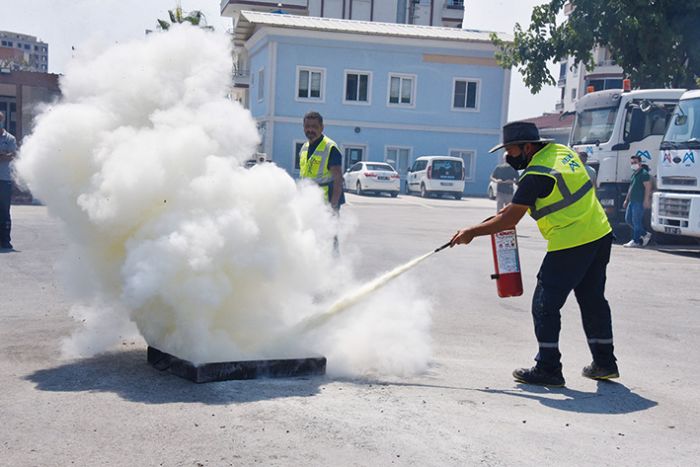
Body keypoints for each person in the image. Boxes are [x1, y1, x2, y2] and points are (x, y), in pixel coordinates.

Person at [449, 121, 618, 387]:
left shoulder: (536, 175)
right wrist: (487, 222)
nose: (508, 156)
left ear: (527, 147)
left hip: (571, 240)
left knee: (544, 304)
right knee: (592, 299)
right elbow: (511, 210)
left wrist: (472, 231)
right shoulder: (562, 153)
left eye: (512, 150)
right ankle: (605, 363)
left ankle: (548, 368)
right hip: (599, 233)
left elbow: (509, 221)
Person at [299, 111, 345, 252]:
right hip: (310, 202)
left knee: (329, 240)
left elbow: (338, 180)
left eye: (314, 126)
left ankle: (334, 270)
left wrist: (332, 207)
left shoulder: (330, 148)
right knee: (311, 239)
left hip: (327, 202)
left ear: (322, 127)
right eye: (307, 126)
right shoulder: (304, 147)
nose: (310, 130)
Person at [622, 155, 652, 248]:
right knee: (628, 220)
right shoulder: (634, 174)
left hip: (639, 201)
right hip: (632, 201)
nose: (633, 164)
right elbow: (631, 187)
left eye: (635, 162)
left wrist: (646, 200)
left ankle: (636, 241)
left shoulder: (644, 174)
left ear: (640, 163)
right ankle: (645, 234)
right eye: (632, 163)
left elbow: (648, 187)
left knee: (636, 221)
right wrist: (626, 199)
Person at [0, 111, 16, 251]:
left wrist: (4, 156)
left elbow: (12, 155)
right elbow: (6, 155)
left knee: (5, 212)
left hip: (4, 180)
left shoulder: (10, 138)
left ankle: (6, 241)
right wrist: (3, 155)